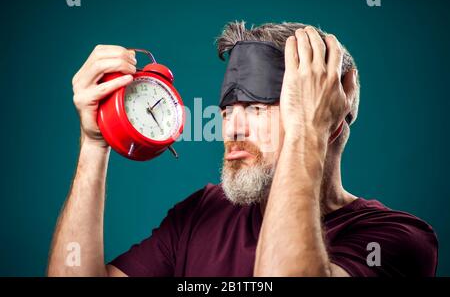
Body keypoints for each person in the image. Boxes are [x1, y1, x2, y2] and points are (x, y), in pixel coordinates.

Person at [47, 21, 438, 277]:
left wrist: (307, 130)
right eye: (227, 111)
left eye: (255, 108)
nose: (231, 128)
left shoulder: (395, 240)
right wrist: (95, 142)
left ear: (329, 118)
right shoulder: (200, 216)